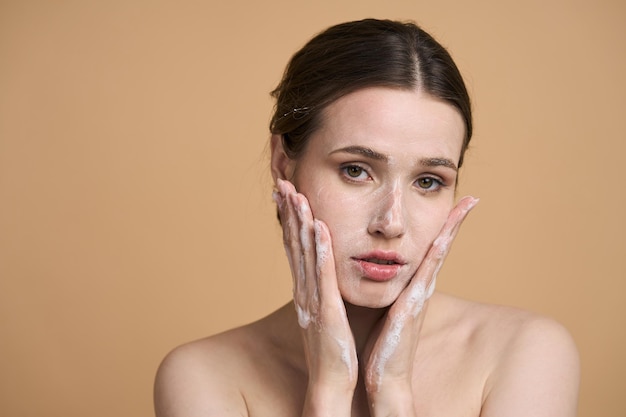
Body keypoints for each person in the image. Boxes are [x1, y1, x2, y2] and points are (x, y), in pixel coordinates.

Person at [154, 18, 579, 416]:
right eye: (355, 170)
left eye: (428, 181)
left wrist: (391, 390)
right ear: (283, 163)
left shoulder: (525, 353)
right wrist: (329, 389)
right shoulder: (204, 376)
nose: (391, 223)